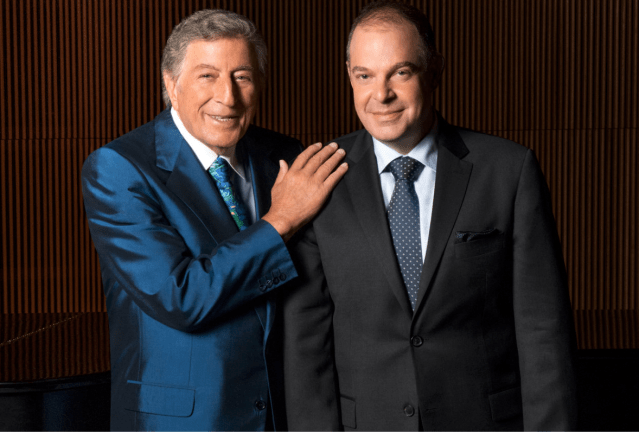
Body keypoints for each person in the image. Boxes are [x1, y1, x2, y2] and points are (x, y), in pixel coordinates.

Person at [282, 1, 577, 431]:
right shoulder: (318, 178)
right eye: (364, 75)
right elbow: (305, 343)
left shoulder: (508, 172)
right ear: (349, 75)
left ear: (435, 70)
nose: (381, 94)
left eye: (400, 72)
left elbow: (543, 331)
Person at [81, 9, 347, 431]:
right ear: (171, 84)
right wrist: (280, 220)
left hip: (281, 415)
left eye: (242, 76)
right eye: (208, 76)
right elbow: (181, 297)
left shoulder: (284, 155)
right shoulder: (118, 169)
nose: (228, 96)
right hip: (183, 422)